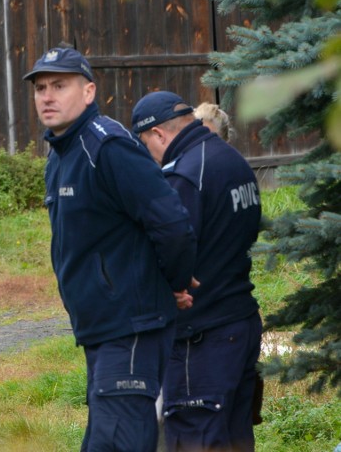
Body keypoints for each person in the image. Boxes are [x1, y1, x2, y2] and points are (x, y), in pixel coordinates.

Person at [25, 47, 197, 451]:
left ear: (88, 92)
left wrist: (173, 283)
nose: (47, 96)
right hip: (101, 329)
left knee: (116, 442)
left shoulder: (107, 147)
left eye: (60, 86)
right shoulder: (61, 156)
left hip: (131, 326)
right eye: (41, 88)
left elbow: (171, 222)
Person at [132, 91, 263, 451]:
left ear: (158, 134)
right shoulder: (233, 160)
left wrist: (173, 285)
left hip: (202, 335)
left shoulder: (185, 175)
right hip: (241, 322)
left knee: (196, 439)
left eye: (146, 144)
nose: (149, 154)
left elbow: (174, 242)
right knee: (235, 440)